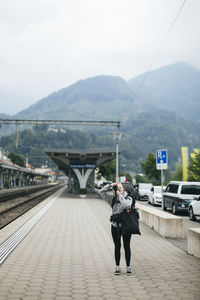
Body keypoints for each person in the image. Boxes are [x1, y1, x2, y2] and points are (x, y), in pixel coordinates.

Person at [100, 182, 134, 275]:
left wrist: (120, 196)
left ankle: (128, 267)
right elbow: (101, 192)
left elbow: (127, 205)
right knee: (117, 246)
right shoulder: (112, 198)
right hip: (115, 226)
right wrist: (110, 185)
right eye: (117, 188)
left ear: (124, 189)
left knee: (127, 246)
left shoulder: (128, 198)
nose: (119, 189)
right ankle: (117, 267)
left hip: (126, 226)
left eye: (121, 188)